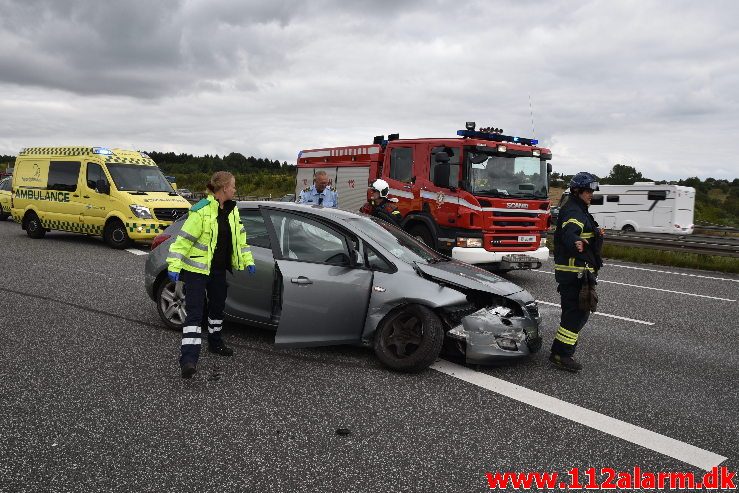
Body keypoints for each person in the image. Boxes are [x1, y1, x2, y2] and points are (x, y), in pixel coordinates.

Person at [166, 171, 256, 379]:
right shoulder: (201, 211)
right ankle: (188, 359)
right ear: (224, 188)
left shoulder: (233, 211)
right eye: (233, 186)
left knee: (217, 308)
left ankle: (215, 343)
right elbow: (183, 241)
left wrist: (248, 260)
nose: (235, 189)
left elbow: (240, 240)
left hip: (217, 271)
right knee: (195, 314)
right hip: (196, 270)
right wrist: (174, 264)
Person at [550, 172, 604, 372]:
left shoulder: (579, 209)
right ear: (576, 190)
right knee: (577, 314)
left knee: (573, 314)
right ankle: (561, 354)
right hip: (575, 274)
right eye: (588, 190)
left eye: (592, 190)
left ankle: (560, 352)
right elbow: (570, 231)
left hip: (578, 273)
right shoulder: (574, 212)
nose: (591, 194)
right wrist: (576, 242)